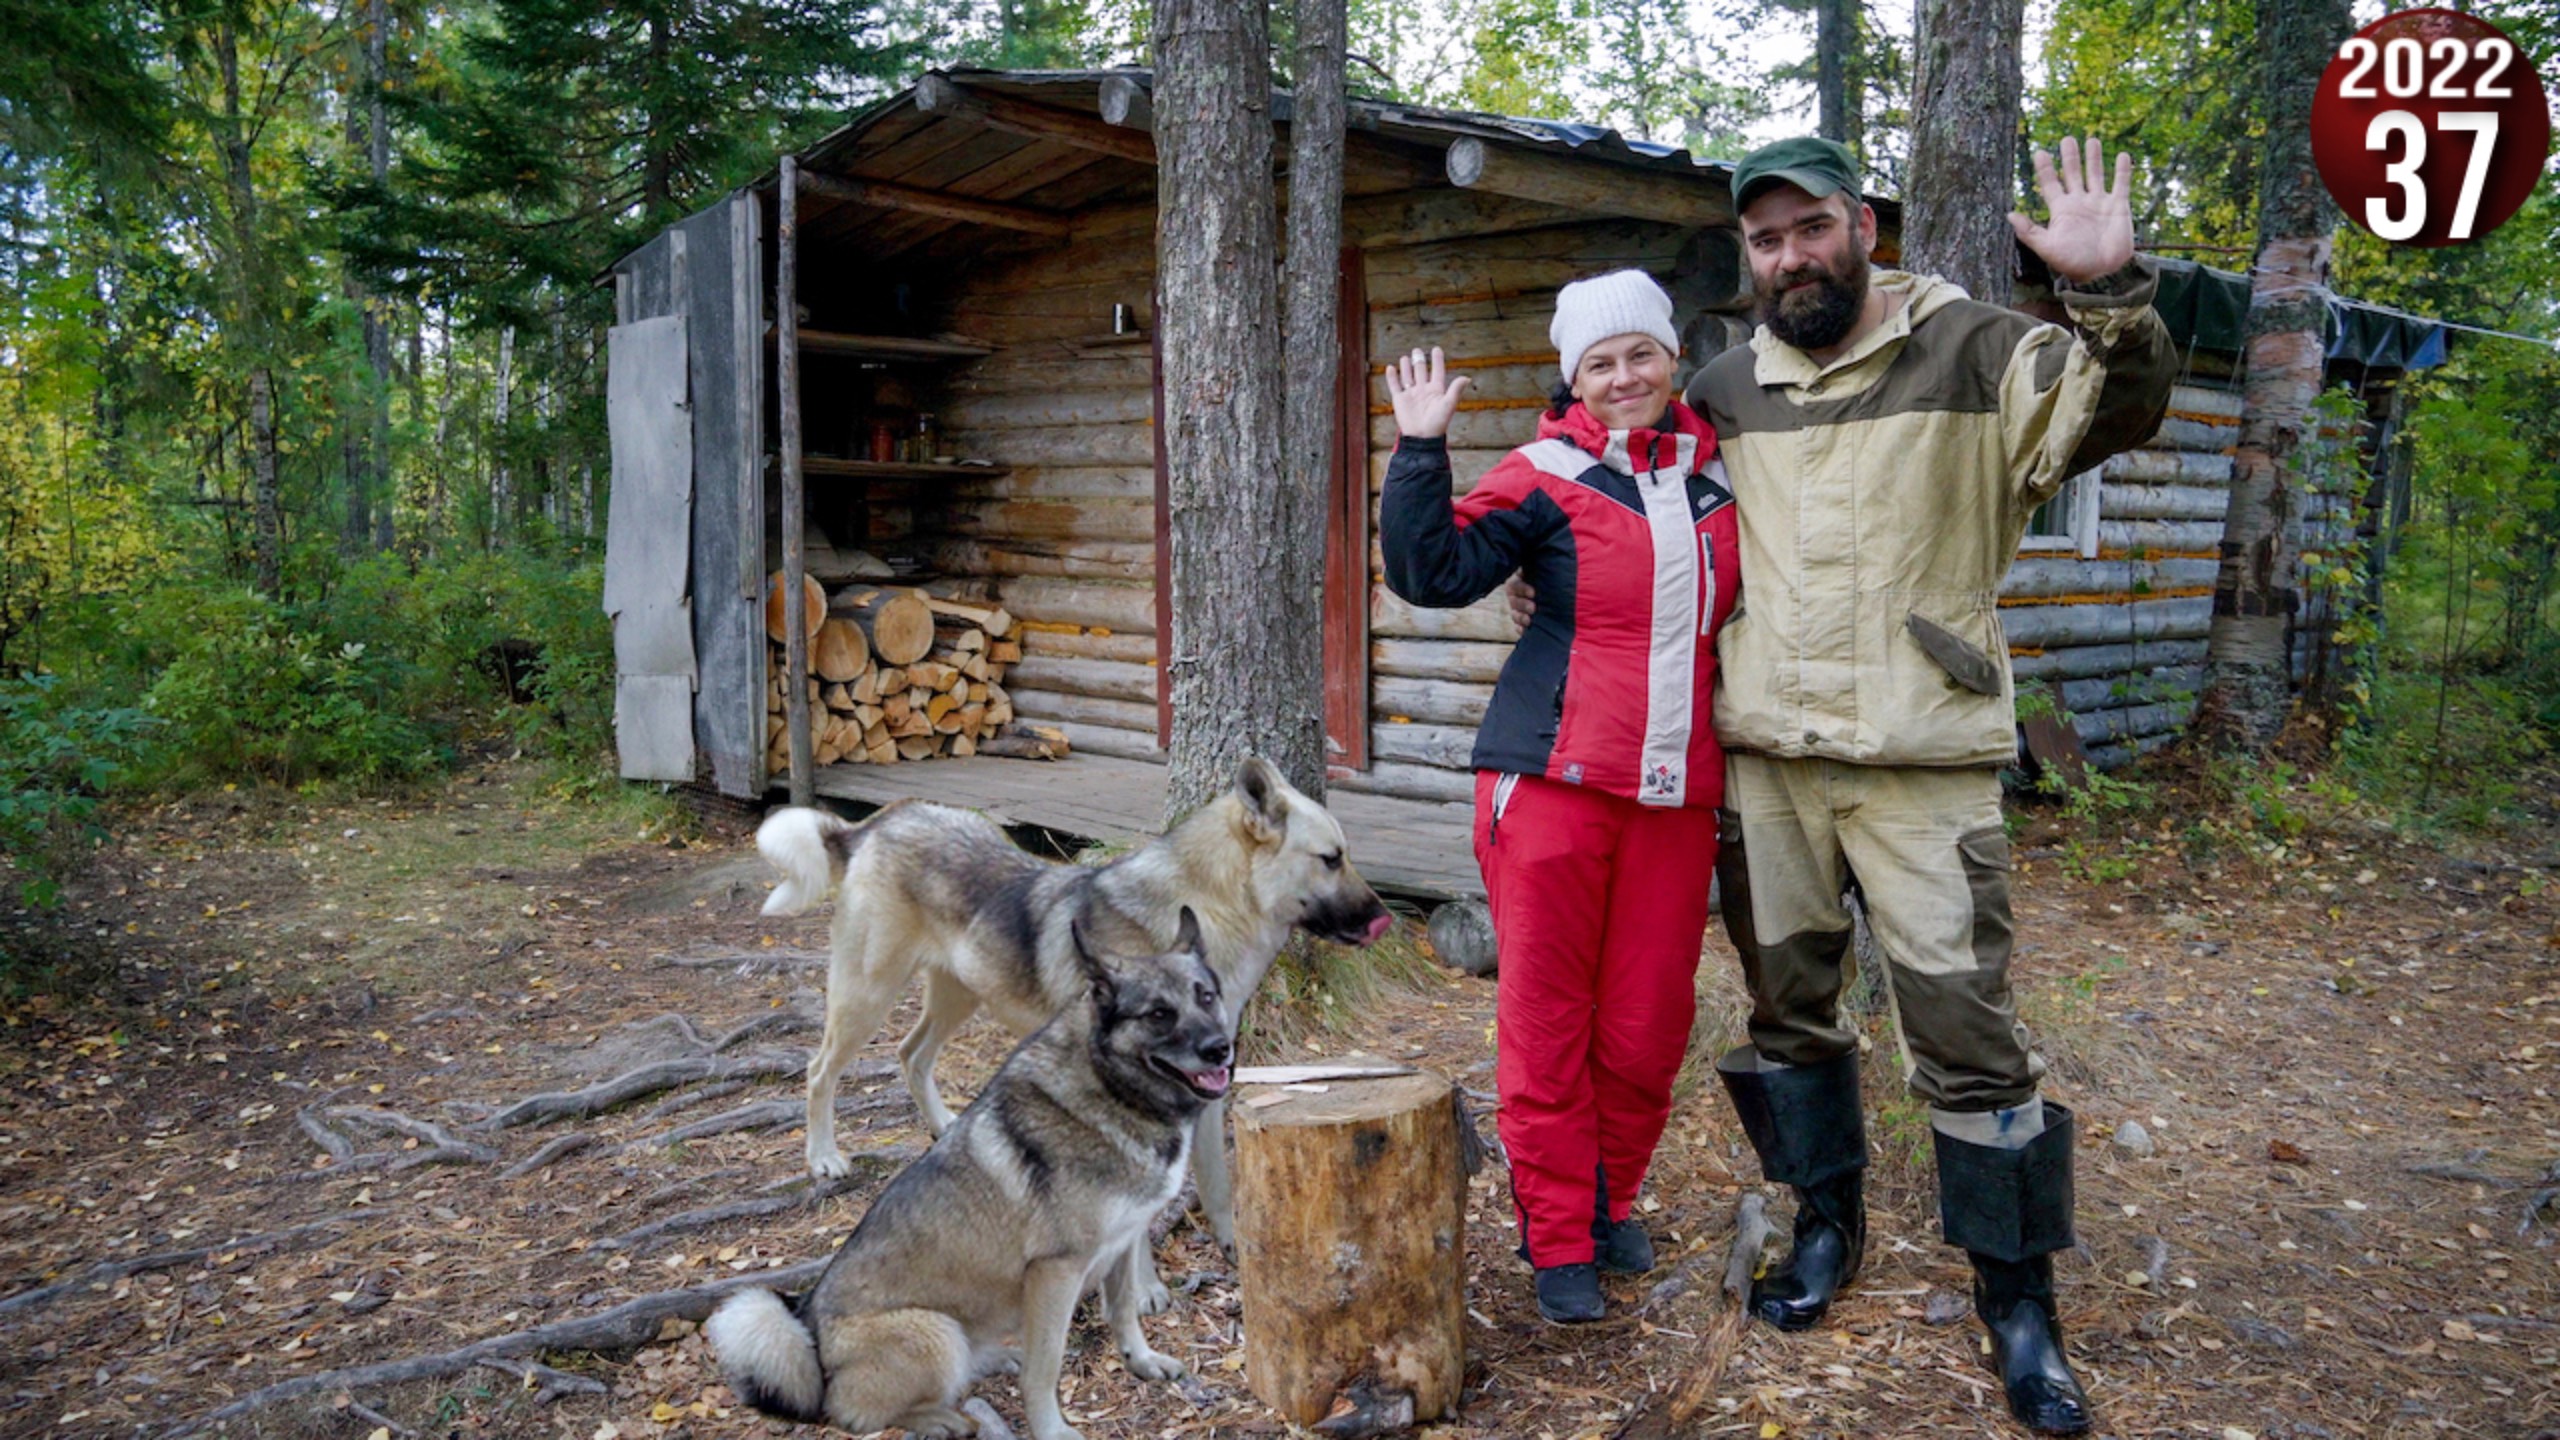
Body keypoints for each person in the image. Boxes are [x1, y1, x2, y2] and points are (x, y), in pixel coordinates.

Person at [1515, 137, 2173, 1431]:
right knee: (1790, 1019)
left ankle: (2017, 1298)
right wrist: (1546, 564)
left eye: (1811, 228)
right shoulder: (1717, 387)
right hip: (1765, 768)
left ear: (1862, 225)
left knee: (1969, 1042)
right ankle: (1828, 1228)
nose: (1790, 256)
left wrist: (2112, 295)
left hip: (1923, 764)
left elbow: (2119, 406)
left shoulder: (1975, 350)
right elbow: (1612, 474)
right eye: (1765, 241)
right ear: (1747, 259)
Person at [1378, 271, 1739, 1325]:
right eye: (1599, 362)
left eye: (1640, 353)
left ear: (1672, 358)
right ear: (1571, 376)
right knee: (1547, 1022)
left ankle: (1609, 1198)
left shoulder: (1724, 480)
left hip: (1674, 795)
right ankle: (1555, 1238)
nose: (1623, 376)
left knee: (1646, 1025)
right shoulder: (1543, 472)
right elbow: (1429, 571)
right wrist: (1418, 448)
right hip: (1549, 783)